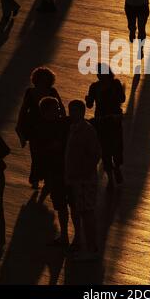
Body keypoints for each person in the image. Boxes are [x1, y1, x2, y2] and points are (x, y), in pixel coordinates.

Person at [16, 67, 65, 189]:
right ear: (37, 79)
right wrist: (19, 125)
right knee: (36, 154)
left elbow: (60, 107)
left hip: (50, 127)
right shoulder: (30, 92)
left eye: (46, 78)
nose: (44, 81)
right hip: (35, 128)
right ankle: (36, 179)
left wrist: (63, 120)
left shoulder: (52, 91)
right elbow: (23, 109)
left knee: (48, 153)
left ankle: (44, 178)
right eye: (42, 78)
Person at [65, 100, 101, 261]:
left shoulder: (86, 131)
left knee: (87, 213)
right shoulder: (73, 128)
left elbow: (95, 154)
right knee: (82, 211)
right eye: (70, 110)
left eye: (74, 111)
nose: (72, 114)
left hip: (84, 179)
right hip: (76, 178)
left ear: (81, 112)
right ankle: (86, 244)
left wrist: (84, 172)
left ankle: (91, 247)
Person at [34, 97, 72, 247]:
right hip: (57, 172)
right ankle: (65, 234)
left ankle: (66, 235)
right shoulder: (42, 130)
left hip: (66, 171)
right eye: (54, 109)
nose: (58, 111)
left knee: (69, 205)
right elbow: (39, 152)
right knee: (63, 205)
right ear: (45, 112)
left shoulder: (65, 123)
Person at [85, 64, 125, 190]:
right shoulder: (97, 86)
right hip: (104, 122)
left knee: (113, 148)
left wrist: (88, 100)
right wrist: (88, 100)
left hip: (110, 121)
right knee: (109, 150)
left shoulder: (110, 85)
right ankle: (112, 175)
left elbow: (122, 99)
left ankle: (115, 170)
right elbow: (90, 105)